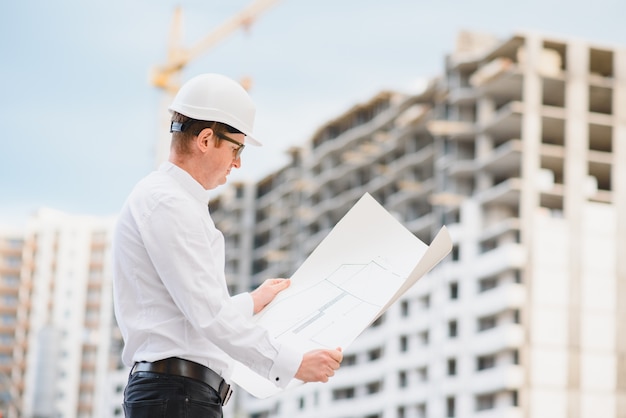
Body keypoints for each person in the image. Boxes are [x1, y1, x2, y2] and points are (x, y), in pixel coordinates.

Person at [112, 73, 343, 417]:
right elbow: (209, 315)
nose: (237, 163)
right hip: (177, 398)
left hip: (178, 396)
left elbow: (188, 321)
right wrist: (292, 364)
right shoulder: (169, 202)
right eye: (236, 148)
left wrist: (252, 301)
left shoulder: (171, 201)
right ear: (206, 139)